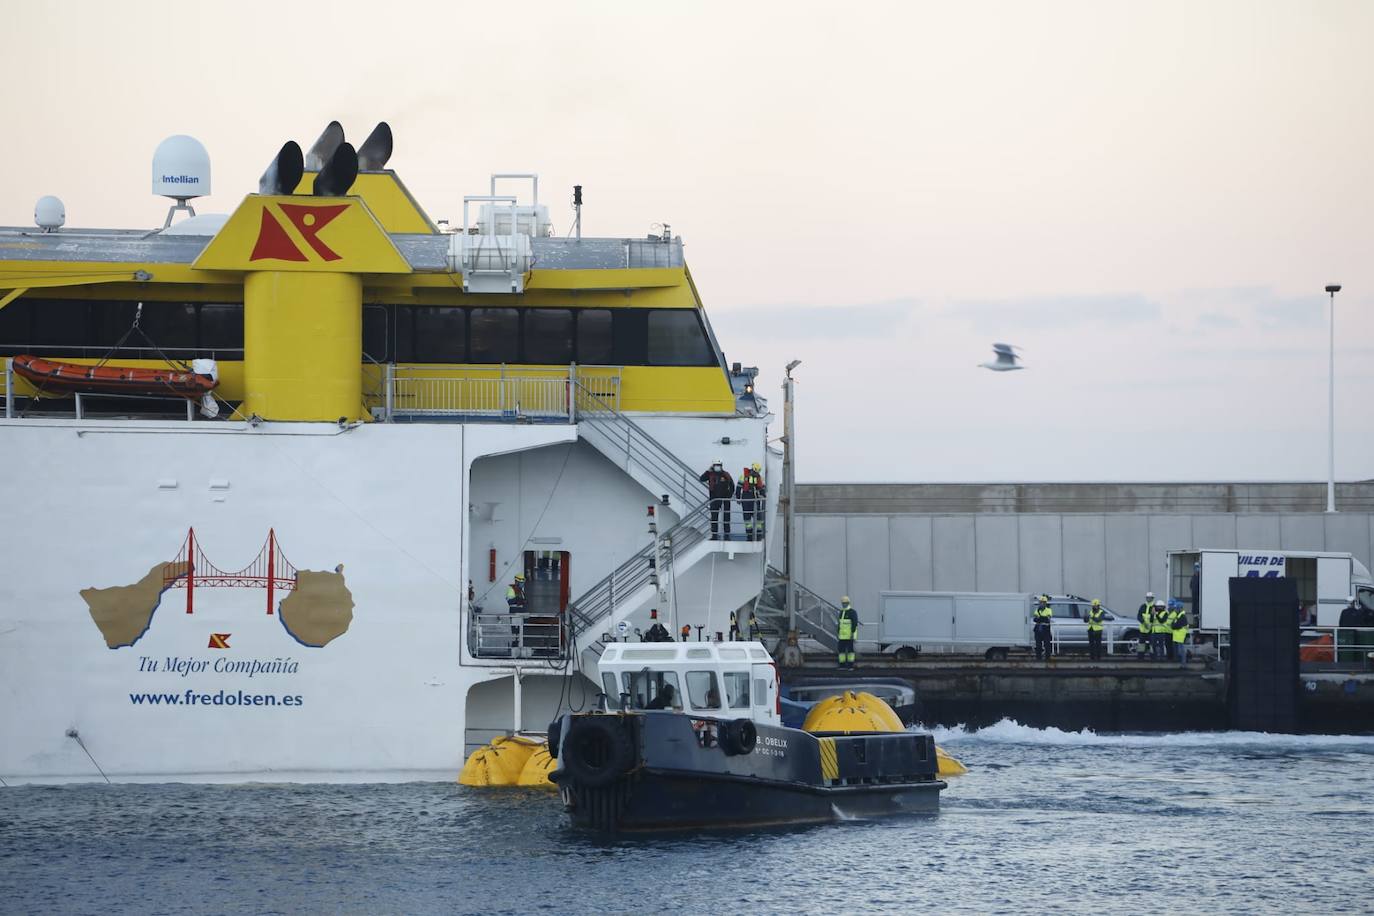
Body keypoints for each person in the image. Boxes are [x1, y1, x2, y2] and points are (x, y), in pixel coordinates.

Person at [699, 459, 735, 540]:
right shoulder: (710, 474)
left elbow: (732, 485)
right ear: (713, 466)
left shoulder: (726, 474)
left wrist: (729, 495)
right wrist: (708, 471)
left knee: (726, 517)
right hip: (714, 499)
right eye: (716, 465)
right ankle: (714, 535)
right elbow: (701, 479)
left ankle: (727, 535)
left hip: (725, 499)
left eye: (718, 465)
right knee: (714, 518)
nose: (717, 467)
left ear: (721, 466)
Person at [737, 462, 766, 541]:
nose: (756, 473)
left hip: (755, 499)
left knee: (759, 518)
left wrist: (763, 495)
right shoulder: (744, 476)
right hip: (746, 498)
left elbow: (761, 488)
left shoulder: (759, 478)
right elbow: (739, 487)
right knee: (747, 518)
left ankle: (759, 535)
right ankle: (749, 536)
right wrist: (738, 498)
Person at [836, 596, 859, 669]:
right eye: (843, 603)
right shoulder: (841, 612)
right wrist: (838, 632)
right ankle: (842, 665)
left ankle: (850, 666)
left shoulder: (852, 612)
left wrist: (852, 633)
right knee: (841, 651)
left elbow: (854, 623)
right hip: (842, 636)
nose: (844, 604)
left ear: (848, 603)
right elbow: (840, 623)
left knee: (850, 651)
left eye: (845, 603)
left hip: (849, 636)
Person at [1033, 595, 1053, 661]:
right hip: (1038, 629)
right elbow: (1035, 619)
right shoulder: (1037, 610)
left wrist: (1040, 618)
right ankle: (1038, 658)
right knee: (1038, 644)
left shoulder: (1049, 610)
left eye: (1043, 602)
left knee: (1047, 644)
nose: (1041, 604)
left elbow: (1047, 619)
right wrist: (1042, 618)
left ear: (1045, 603)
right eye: (1040, 602)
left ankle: (1047, 658)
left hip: (1046, 629)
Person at [1171, 599, 1190, 667]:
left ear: (1180, 608)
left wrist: (1173, 624)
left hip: (1180, 636)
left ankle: (1184, 664)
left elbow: (1175, 626)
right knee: (1180, 651)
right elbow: (1174, 625)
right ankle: (1183, 663)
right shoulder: (1179, 616)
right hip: (1178, 636)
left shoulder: (1182, 616)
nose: (1175, 609)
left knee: (1181, 651)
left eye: (1177, 608)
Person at [1137, 591, 1156, 658]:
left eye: (1150, 598)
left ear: (1152, 598)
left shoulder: (1154, 607)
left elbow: (1154, 618)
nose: (1148, 599)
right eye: (1147, 598)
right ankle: (1140, 657)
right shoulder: (1142, 606)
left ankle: (1152, 657)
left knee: (1152, 644)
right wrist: (1144, 623)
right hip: (1143, 629)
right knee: (1141, 644)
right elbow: (1139, 616)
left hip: (1151, 629)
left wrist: (1150, 624)